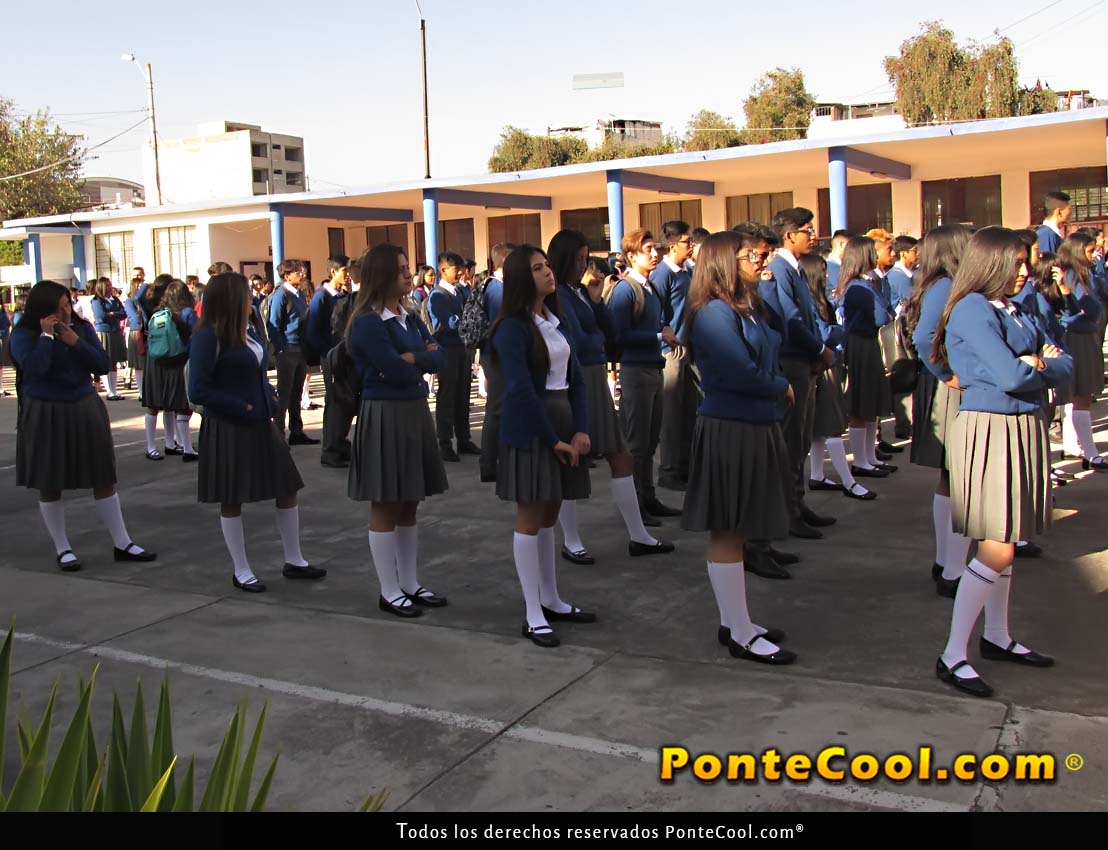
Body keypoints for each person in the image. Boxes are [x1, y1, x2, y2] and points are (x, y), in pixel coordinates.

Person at [931, 227, 1071, 698]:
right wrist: (1036, 364)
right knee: (997, 546)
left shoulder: (1013, 306)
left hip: (1020, 425)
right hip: (992, 429)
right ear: (991, 263)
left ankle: (997, 636)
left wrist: (1040, 363)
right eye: (1017, 261)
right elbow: (1010, 375)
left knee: (1007, 537)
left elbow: (1063, 359)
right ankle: (953, 654)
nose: (1025, 270)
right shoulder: (972, 309)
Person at [681, 230, 795, 665]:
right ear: (724, 263)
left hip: (755, 423)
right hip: (731, 426)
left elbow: (777, 337)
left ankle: (736, 621)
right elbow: (739, 371)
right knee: (728, 529)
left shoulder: (744, 307)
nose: (758, 260)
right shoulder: (713, 313)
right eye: (748, 255)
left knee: (739, 527)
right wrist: (779, 386)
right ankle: (740, 632)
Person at [188, 272, 324, 593]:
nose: (252, 297)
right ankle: (242, 569)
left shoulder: (247, 329)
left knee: (287, 487)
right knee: (232, 497)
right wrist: (242, 407)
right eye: (246, 293)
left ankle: (294, 559)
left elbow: (257, 372)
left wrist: (270, 399)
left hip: (262, 422)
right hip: (229, 426)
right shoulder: (208, 336)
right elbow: (198, 390)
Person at [10, 280, 156, 572]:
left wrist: (75, 342)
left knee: (102, 475)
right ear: (43, 311)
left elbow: (101, 364)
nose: (66, 312)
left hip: (83, 404)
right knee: (50, 480)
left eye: (67, 305)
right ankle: (62, 547)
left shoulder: (81, 328)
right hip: (45, 410)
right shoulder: (25, 335)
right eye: (59, 308)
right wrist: (47, 337)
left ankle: (122, 542)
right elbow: (35, 368)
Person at [546, 230, 673, 564]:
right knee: (574, 460)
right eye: (579, 259)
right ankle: (572, 540)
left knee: (620, 454)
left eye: (586, 258)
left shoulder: (579, 292)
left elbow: (609, 332)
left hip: (593, 376)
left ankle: (638, 534)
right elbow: (577, 339)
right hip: (576, 378)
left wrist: (596, 300)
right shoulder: (558, 294)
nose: (584, 265)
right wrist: (596, 336)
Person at [492, 244, 594, 649]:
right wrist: (552, 440)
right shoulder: (512, 328)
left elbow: (577, 380)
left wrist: (581, 430)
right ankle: (533, 612)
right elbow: (519, 390)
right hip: (533, 427)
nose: (548, 272)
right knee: (531, 514)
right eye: (538, 268)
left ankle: (551, 599)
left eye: (548, 265)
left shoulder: (556, 320)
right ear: (521, 277)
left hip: (563, 417)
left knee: (551, 512)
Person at [346, 244, 449, 617]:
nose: (409, 273)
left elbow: (440, 358)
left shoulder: (409, 315)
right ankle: (389, 590)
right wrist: (420, 359)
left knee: (410, 500)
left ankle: (409, 582)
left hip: (413, 410)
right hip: (385, 412)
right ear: (382, 275)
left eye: (408, 267)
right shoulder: (369, 322)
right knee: (386, 501)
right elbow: (393, 368)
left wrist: (416, 358)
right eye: (401, 268)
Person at [905, 225, 974, 594]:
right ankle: (951, 568)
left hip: (945, 385)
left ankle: (947, 561)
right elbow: (923, 338)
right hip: (948, 387)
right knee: (959, 477)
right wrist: (947, 374)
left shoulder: (939, 283)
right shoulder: (945, 284)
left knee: (952, 477)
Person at [761, 209, 837, 539]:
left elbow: (809, 316)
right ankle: (788, 511)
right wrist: (820, 350)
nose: (813, 235)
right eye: (807, 230)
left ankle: (798, 502)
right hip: (792, 362)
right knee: (792, 440)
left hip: (806, 362)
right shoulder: (779, 269)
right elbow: (790, 320)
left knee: (803, 438)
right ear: (789, 235)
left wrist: (818, 350)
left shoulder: (797, 268)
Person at [608, 229, 682, 523]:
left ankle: (648, 497)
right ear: (631, 255)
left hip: (653, 368)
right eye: (647, 249)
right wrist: (658, 335)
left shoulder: (650, 287)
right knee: (636, 442)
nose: (655, 254)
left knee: (650, 440)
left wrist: (662, 331)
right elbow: (619, 334)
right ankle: (635, 504)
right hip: (635, 370)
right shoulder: (626, 289)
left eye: (655, 248)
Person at [799, 253, 874, 502]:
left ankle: (817, 474)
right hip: (821, 366)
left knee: (820, 427)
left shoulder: (821, 300)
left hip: (827, 364)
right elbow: (822, 333)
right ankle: (848, 481)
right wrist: (841, 331)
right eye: (822, 270)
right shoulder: (809, 301)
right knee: (831, 426)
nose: (826, 275)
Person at [837, 236, 897, 482]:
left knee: (871, 403)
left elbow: (888, 311)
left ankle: (870, 457)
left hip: (868, 342)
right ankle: (860, 460)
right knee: (861, 404)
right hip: (860, 345)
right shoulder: (858, 287)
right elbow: (883, 315)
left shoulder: (867, 283)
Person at [650, 220, 696, 492]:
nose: (691, 246)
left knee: (688, 413)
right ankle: (668, 471)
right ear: (672, 245)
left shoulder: (687, 271)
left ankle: (685, 467)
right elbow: (657, 314)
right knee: (671, 416)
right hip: (672, 353)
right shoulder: (663, 275)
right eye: (686, 242)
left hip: (689, 349)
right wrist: (667, 339)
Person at [1054, 231, 1107, 468]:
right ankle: (1090, 452)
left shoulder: (1083, 273)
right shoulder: (1073, 276)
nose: (1094, 255)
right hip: (1077, 336)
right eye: (1089, 250)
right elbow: (1088, 309)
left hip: (1080, 334)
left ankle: (1073, 446)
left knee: (1075, 397)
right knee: (1081, 395)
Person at [427, 251, 479, 461]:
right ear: (444, 270)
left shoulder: (460, 292)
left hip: (463, 350)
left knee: (463, 396)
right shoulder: (438, 295)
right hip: (447, 351)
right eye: (456, 270)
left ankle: (464, 439)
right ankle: (445, 442)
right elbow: (449, 322)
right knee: (447, 397)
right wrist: (466, 321)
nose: (460, 273)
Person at [136, 274, 194, 460]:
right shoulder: (179, 311)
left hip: (155, 358)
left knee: (159, 403)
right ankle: (165, 444)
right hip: (175, 358)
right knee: (167, 403)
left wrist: (146, 285)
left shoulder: (155, 309)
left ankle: (160, 445)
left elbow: (139, 297)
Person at [267, 259, 319, 446]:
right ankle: (278, 434)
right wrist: (280, 348)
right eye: (298, 271)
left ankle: (296, 431)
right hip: (288, 349)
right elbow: (273, 324)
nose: (302, 274)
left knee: (296, 393)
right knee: (284, 393)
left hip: (301, 348)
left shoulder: (298, 294)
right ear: (287, 275)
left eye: (302, 270)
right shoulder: (281, 295)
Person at [309, 255, 350, 467]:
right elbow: (313, 332)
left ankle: (340, 444)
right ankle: (330, 450)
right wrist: (329, 353)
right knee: (334, 402)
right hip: (331, 358)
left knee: (344, 402)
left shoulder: (344, 295)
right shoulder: (321, 297)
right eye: (344, 270)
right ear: (333, 272)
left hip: (344, 357)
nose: (348, 274)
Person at [478, 243, 513, 483]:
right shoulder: (497, 289)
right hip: (497, 354)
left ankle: (494, 460)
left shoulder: (498, 287)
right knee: (496, 409)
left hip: (498, 352)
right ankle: (490, 464)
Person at [90, 277, 127, 401]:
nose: (110, 288)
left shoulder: (115, 299)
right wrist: (114, 314)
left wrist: (112, 313)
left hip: (116, 331)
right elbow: (101, 316)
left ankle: (114, 390)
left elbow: (124, 313)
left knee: (114, 361)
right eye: (107, 286)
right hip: (105, 332)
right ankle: (109, 391)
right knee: (107, 360)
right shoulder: (96, 301)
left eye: (110, 285)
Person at [123, 277, 145, 392]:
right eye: (138, 286)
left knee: (145, 363)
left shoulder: (145, 301)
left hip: (145, 331)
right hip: (136, 332)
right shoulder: (130, 301)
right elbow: (136, 318)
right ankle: (141, 391)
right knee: (138, 363)